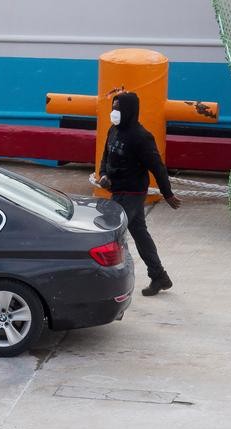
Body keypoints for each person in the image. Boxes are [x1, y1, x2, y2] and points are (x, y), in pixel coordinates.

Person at [98, 92, 182, 296]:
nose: (114, 111)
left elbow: (157, 167)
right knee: (139, 233)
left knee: (113, 234)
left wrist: (167, 193)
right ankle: (159, 275)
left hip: (132, 193)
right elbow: (105, 156)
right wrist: (103, 175)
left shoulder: (141, 137)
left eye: (118, 108)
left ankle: (110, 279)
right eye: (113, 107)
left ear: (128, 110)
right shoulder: (113, 130)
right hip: (117, 190)